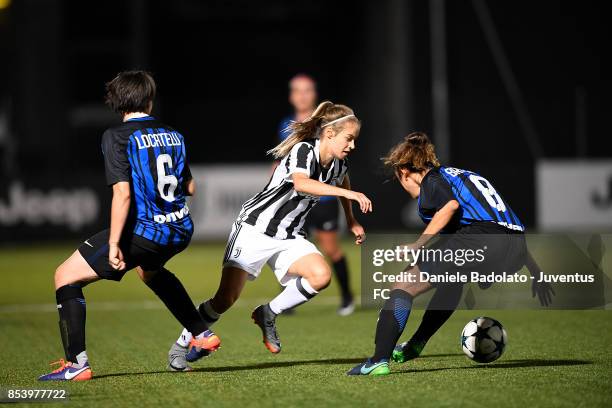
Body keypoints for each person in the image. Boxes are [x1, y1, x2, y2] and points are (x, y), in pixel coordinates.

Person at [38, 71, 220, 381]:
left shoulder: (116, 136)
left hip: (146, 231)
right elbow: (189, 187)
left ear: (115, 102)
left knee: (65, 276)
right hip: (180, 229)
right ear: (150, 99)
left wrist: (113, 245)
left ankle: (76, 364)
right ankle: (200, 332)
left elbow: (121, 193)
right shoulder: (174, 134)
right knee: (150, 271)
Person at [168, 101, 371, 371]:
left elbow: (342, 179)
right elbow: (302, 182)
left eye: (355, 140)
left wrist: (351, 219)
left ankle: (268, 313)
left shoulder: (337, 165)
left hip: (289, 236)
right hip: (254, 229)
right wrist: (350, 196)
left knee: (321, 276)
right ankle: (181, 346)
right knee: (225, 299)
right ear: (330, 134)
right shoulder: (304, 150)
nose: (352, 146)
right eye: (349, 139)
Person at [348, 132, 554, 376]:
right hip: (516, 248)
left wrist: (418, 244)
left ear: (404, 172)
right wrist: (536, 271)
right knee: (452, 281)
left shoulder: (432, 181)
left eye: (398, 178)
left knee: (403, 284)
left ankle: (378, 360)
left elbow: (450, 207)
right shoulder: (461, 175)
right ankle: (416, 344)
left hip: (482, 240)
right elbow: (503, 226)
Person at [277, 74, 355, 315]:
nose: (302, 95)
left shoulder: (327, 126)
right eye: (298, 91)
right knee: (288, 247)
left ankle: (347, 297)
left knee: (331, 249)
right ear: (291, 96)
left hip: (323, 198)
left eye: (307, 90)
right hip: (296, 199)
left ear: (314, 94)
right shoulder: (286, 125)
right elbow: (284, 161)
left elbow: (338, 164)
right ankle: (288, 301)